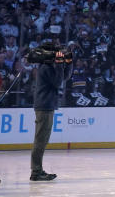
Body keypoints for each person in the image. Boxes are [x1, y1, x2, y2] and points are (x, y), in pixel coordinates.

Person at [31, 42, 73, 182]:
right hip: (44, 106)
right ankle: (36, 172)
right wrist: (60, 65)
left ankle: (37, 171)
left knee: (43, 139)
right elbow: (57, 82)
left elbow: (64, 78)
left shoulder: (48, 66)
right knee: (41, 140)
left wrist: (68, 63)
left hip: (47, 105)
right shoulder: (45, 67)